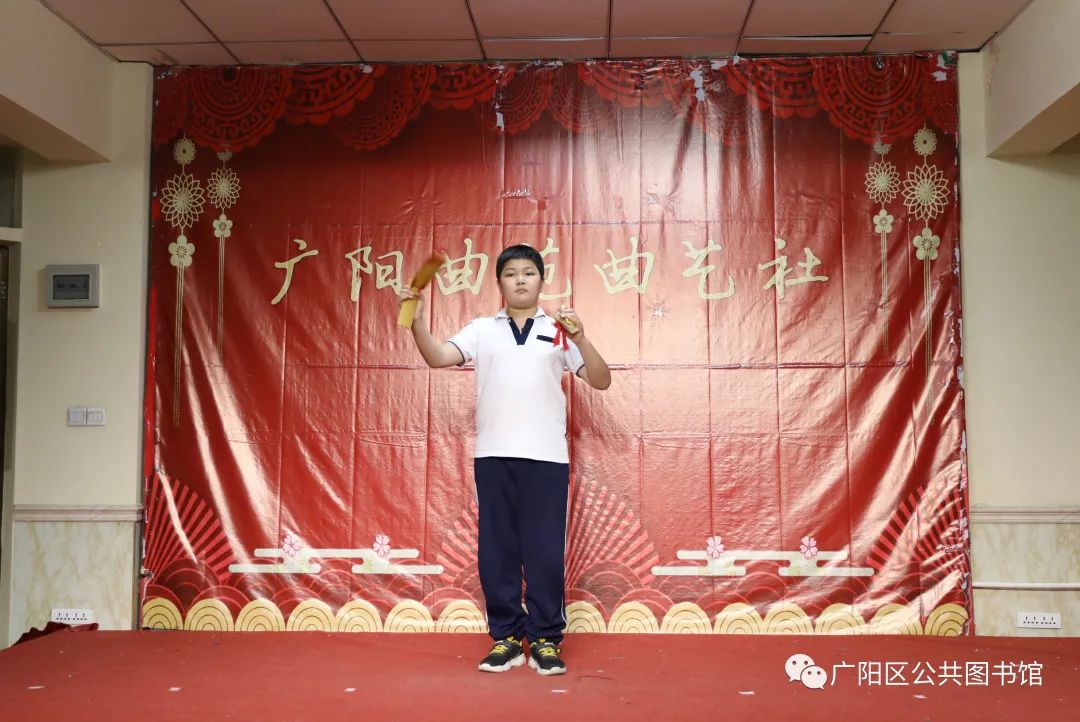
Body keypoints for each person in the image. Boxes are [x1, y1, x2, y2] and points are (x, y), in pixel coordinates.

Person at [399, 243, 611, 676]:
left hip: (546, 458)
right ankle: (508, 639)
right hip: (493, 456)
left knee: (544, 552)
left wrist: (581, 338)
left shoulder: (559, 330)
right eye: (511, 273)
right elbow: (438, 358)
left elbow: (601, 380)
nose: (520, 280)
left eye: (528, 272)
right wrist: (417, 322)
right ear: (499, 282)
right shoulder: (482, 330)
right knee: (497, 552)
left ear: (541, 280)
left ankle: (546, 638)